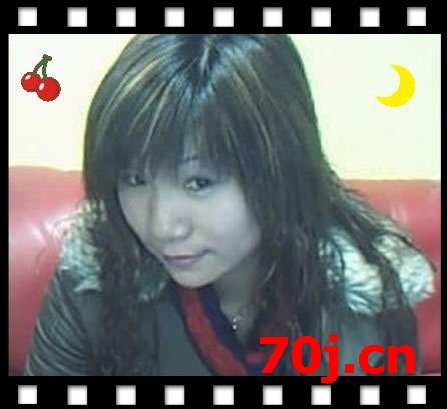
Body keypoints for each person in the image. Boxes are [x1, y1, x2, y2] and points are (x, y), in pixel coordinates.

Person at [24, 34, 435, 376]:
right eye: (135, 179)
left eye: (199, 182)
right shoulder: (98, 275)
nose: (162, 225)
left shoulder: (367, 298)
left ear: (280, 168)